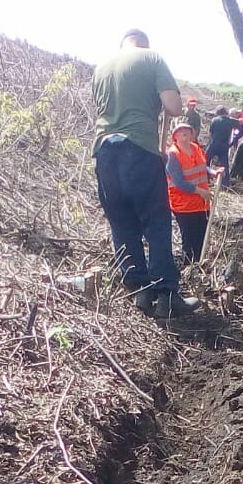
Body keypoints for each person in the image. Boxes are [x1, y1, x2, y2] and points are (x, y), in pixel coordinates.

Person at [92, 28, 199, 318]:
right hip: (139, 149)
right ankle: (165, 293)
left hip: (104, 153)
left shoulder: (101, 67)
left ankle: (140, 290)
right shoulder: (151, 58)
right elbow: (174, 107)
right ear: (144, 44)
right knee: (156, 221)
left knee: (122, 221)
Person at [166, 122, 214, 264]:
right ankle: (188, 266)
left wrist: (213, 172)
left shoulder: (195, 148)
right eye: (181, 131)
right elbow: (179, 182)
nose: (185, 133)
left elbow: (203, 167)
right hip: (184, 205)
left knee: (202, 236)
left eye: (187, 130)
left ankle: (199, 265)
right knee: (189, 239)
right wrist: (200, 191)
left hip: (201, 203)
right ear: (175, 136)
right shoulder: (173, 154)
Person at [205, 106, 243, 188]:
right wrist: (234, 141)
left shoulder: (214, 120)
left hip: (214, 144)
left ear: (217, 113)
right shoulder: (230, 121)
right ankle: (225, 184)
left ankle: (206, 179)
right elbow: (240, 126)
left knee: (205, 160)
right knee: (224, 165)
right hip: (224, 145)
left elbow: (210, 133)